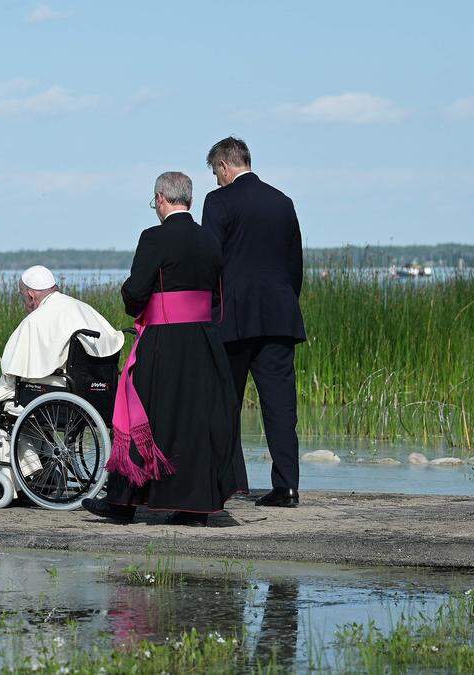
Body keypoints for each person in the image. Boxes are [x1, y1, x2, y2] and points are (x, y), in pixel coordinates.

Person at [82, 171, 245, 525]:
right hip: (204, 341)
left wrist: (131, 298)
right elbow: (218, 295)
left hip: (164, 341)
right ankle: (194, 506)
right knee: (195, 421)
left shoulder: (153, 237)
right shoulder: (210, 240)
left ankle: (123, 503)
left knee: (144, 415)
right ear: (189, 198)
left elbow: (136, 292)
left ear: (160, 199)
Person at [201, 137, 306, 508]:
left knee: (224, 403)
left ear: (226, 167)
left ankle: (226, 484)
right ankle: (287, 486)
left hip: (233, 320)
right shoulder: (282, 202)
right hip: (279, 317)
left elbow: (211, 259)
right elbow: (295, 266)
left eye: (216, 173)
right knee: (280, 406)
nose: (216, 180)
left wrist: (210, 309)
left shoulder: (219, 202)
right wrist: (284, 302)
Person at [0, 266, 124, 501]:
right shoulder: (84, 309)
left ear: (30, 295)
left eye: (23, 297)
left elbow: (12, 372)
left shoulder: (37, 320)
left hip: (58, 399)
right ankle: (37, 471)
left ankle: (29, 472)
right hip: (96, 397)